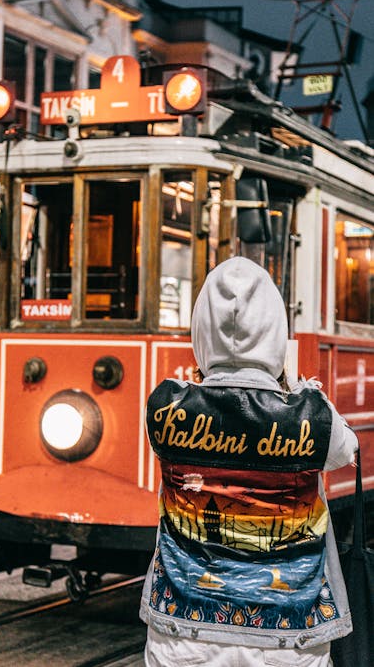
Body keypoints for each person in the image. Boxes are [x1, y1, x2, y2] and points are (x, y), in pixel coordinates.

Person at [140, 256, 358, 667]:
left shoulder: (166, 406)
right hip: (289, 633)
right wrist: (293, 386)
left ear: (200, 330)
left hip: (183, 629)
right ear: (276, 332)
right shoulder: (311, 415)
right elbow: (348, 449)